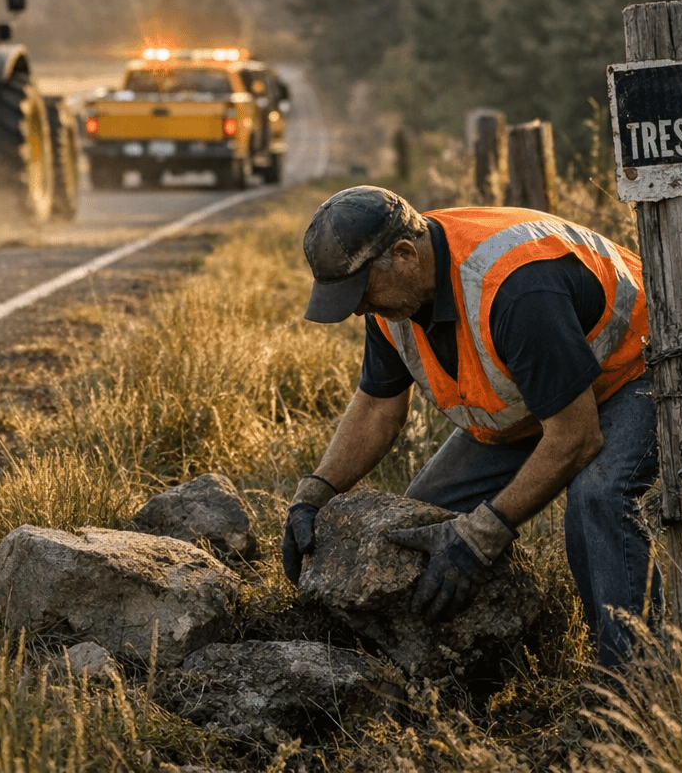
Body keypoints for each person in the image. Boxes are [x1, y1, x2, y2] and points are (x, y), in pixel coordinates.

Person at [282, 186, 659, 669]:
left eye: (359, 293)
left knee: (597, 496)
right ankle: (470, 671)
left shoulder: (515, 288)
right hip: (539, 397)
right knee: (417, 522)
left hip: (637, 367)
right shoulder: (394, 295)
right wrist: (314, 493)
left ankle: (636, 683)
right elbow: (378, 407)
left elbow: (576, 437)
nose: (357, 310)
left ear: (403, 255)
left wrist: (483, 534)